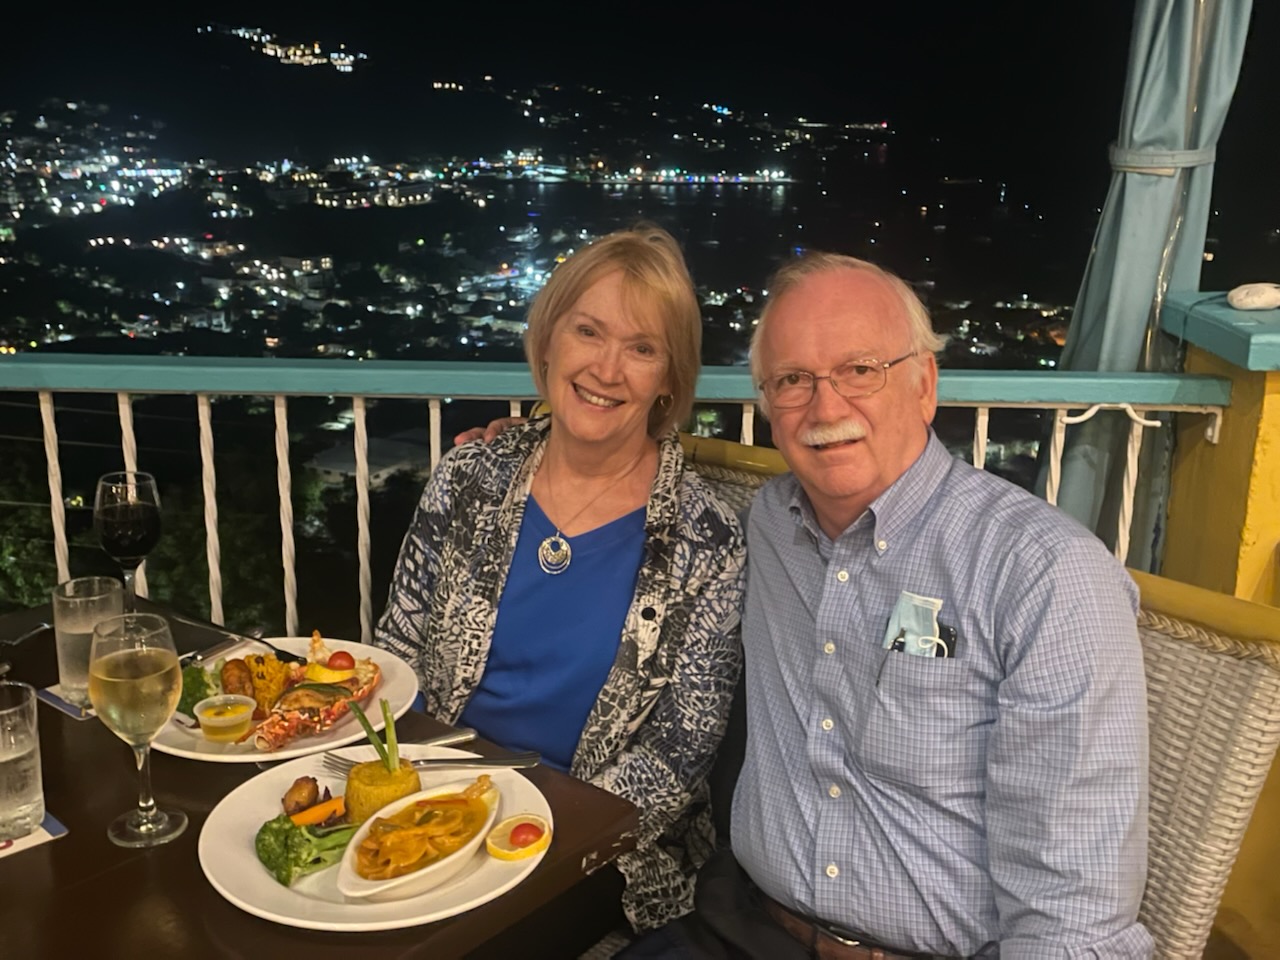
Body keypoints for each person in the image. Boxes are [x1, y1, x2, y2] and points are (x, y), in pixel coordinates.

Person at [622, 252, 1153, 958]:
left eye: (860, 370)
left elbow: (1076, 913)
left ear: (924, 384)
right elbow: (623, 474)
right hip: (742, 924)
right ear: (768, 408)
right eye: (792, 381)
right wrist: (527, 444)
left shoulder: (1044, 576)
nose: (826, 407)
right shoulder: (767, 526)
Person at [374, 224, 748, 932]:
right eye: (588, 331)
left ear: (669, 379)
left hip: (587, 846)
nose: (607, 368)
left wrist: (524, 831)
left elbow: (677, 757)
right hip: (427, 802)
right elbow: (397, 652)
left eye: (642, 348)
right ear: (548, 340)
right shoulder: (468, 477)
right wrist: (413, 796)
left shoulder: (709, 540)